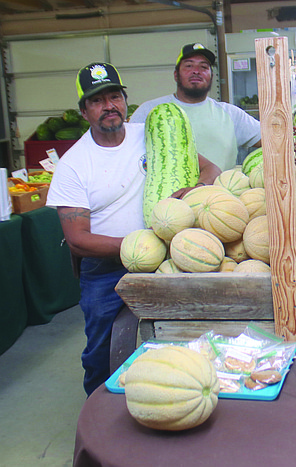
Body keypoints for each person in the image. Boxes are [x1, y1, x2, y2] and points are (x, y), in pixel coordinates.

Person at [47, 62, 221, 396]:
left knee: (177, 335)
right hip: (105, 269)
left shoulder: (151, 133)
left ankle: (176, 394)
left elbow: (210, 167)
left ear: (125, 101)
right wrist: (137, 245)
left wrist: (197, 187)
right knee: (102, 348)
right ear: (84, 111)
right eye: (98, 101)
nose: (109, 106)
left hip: (168, 255)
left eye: (115, 96)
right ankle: (100, 413)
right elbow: (77, 240)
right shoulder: (73, 164)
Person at [130, 43, 262, 169]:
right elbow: (126, 151)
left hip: (221, 191)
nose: (196, 71)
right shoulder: (150, 110)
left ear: (211, 76)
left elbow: (273, 140)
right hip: (169, 193)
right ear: (176, 75)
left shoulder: (231, 114)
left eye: (203, 67)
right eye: (189, 66)